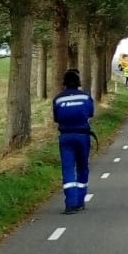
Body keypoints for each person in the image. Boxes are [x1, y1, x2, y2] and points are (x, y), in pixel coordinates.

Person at [52, 69, 95, 214]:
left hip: (65, 137)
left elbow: (56, 118)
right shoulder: (85, 97)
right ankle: (80, 201)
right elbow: (90, 113)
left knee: (68, 168)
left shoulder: (58, 99)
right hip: (82, 136)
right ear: (78, 82)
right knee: (82, 167)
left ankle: (70, 204)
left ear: (64, 83)